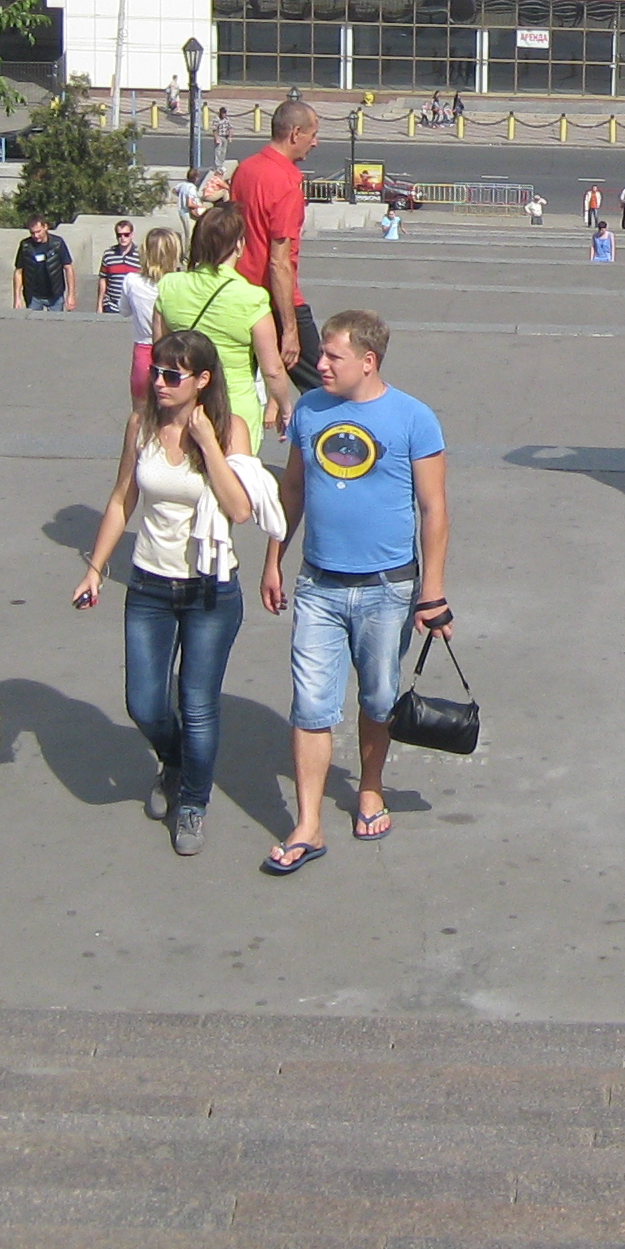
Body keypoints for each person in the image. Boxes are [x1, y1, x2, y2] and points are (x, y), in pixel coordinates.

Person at [258, 308, 454, 870]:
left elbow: (434, 509)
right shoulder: (309, 411)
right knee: (311, 705)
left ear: (368, 362)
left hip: (388, 588)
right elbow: (292, 489)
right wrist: (273, 559)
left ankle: (370, 786)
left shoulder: (413, 418)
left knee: (378, 698)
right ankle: (308, 824)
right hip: (318, 583)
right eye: (321, 354)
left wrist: (432, 591)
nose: (320, 364)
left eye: (332, 356)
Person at [72, 330, 271, 858]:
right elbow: (121, 499)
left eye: (171, 375)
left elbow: (240, 510)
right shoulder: (140, 425)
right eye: (155, 371)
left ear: (202, 380)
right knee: (143, 703)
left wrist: (207, 443)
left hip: (210, 592)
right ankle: (175, 761)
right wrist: (95, 568)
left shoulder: (230, 429)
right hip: (149, 585)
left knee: (198, 705)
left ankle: (192, 803)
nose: (158, 382)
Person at [155, 201, 287, 454]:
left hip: (184, 403)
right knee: (232, 476)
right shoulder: (252, 298)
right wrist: (284, 405)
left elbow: (161, 349)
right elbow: (272, 370)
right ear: (239, 245)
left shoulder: (169, 286)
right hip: (234, 407)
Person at [231, 99, 319, 394]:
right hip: (274, 299)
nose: (315, 143)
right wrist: (290, 329)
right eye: (313, 134)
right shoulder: (286, 183)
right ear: (295, 134)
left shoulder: (245, 169)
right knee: (323, 388)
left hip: (239, 292)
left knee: (239, 386)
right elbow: (279, 261)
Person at [128, 225, 184, 402]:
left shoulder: (131, 280)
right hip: (174, 350)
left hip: (143, 349)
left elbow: (124, 310)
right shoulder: (180, 283)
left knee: (140, 410)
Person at [13, 216, 74, 314]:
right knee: (34, 322)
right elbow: (18, 271)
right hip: (34, 296)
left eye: (38, 232)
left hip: (55, 295)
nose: (36, 236)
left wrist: (71, 295)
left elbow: (68, 268)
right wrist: (17, 298)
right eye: (32, 233)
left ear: (45, 227)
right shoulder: (25, 246)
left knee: (55, 321)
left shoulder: (57, 243)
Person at [97, 218, 143, 318]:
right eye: (119, 235)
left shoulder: (141, 255)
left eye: (126, 234)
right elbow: (103, 279)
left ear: (132, 235)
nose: (123, 238)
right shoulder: (109, 254)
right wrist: (99, 305)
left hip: (134, 307)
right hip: (111, 306)